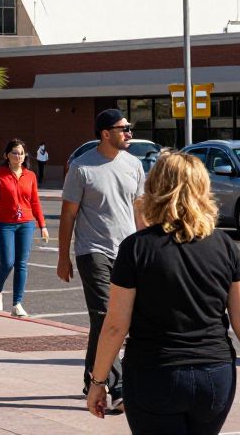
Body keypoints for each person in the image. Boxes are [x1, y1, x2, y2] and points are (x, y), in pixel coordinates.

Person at [86, 153, 240, 433]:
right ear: (203, 189)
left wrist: (98, 382)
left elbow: (116, 324)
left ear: (155, 190)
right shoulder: (225, 246)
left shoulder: (136, 248)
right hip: (214, 376)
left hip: (155, 374)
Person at [58, 108, 145, 410]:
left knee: (109, 322)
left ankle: (91, 378)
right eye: (124, 129)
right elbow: (68, 215)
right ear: (105, 133)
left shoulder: (134, 165)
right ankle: (118, 386)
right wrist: (63, 257)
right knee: (105, 316)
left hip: (128, 252)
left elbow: (139, 210)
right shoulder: (81, 168)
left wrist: (148, 248)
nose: (129, 133)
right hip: (92, 251)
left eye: (129, 128)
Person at [0, 138, 48, 317]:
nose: (18, 156)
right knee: (7, 262)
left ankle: (17, 303)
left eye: (21, 153)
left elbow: (35, 201)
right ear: (7, 155)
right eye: (15, 152)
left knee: (22, 263)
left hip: (26, 223)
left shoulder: (30, 176)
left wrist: (42, 225)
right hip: (3, 224)